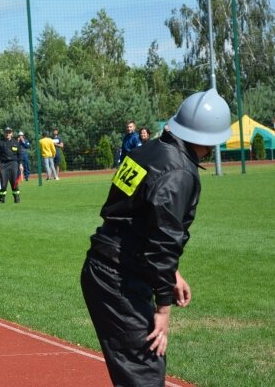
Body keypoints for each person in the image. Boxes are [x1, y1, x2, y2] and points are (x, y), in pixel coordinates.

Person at [80, 88, 231, 387]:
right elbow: (163, 240)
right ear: (212, 139)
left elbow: (137, 218)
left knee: (141, 369)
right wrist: (163, 309)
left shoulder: (146, 151)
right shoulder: (180, 173)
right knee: (145, 372)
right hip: (118, 276)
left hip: (108, 265)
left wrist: (171, 273)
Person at [0, 127, 24, 203]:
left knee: (14, 182)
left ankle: (16, 198)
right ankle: (2, 199)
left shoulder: (16, 143)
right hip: (3, 165)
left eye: (9, 132)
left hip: (13, 164)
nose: (8, 134)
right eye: (6, 132)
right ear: (4, 133)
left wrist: (20, 164)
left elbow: (19, 155)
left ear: (12, 134)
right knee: (3, 184)